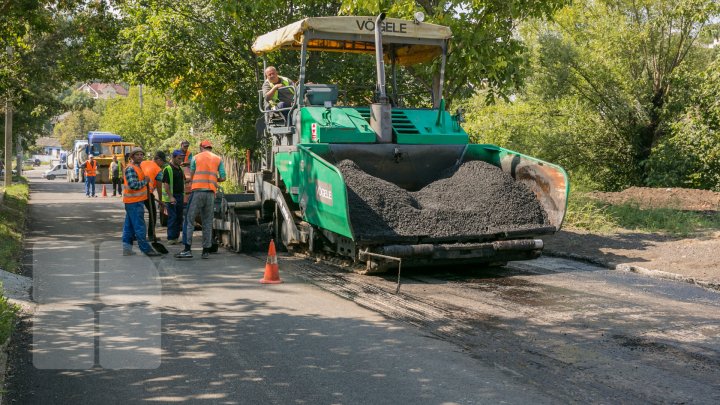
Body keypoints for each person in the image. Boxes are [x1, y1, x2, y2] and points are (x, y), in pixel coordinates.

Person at [175, 140, 225, 260]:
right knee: (207, 222)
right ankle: (206, 251)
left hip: (197, 192)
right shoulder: (218, 159)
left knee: (189, 220)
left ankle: (187, 249)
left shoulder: (196, 158)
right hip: (210, 194)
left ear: (201, 148)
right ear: (210, 148)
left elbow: (192, 176)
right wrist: (213, 180)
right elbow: (223, 178)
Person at [122, 147, 161, 257]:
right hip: (134, 202)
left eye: (141, 155)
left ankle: (127, 249)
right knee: (140, 226)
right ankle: (146, 249)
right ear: (132, 157)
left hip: (135, 201)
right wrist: (145, 182)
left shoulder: (138, 167)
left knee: (129, 226)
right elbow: (133, 185)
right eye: (137, 155)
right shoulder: (131, 169)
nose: (140, 156)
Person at [140, 151, 166, 241]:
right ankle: (151, 235)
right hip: (147, 192)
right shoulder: (158, 170)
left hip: (136, 191)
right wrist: (161, 200)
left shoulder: (142, 163)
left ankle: (133, 235)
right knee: (153, 214)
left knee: (137, 214)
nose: (162, 164)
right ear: (158, 159)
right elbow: (159, 187)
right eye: (162, 162)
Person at [162, 150, 186, 245]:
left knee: (179, 217)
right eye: (179, 158)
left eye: (182, 159)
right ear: (173, 157)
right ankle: (171, 237)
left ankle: (176, 237)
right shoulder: (168, 169)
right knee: (173, 217)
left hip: (180, 195)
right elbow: (166, 184)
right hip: (172, 197)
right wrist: (171, 197)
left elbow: (183, 181)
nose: (181, 160)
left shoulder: (180, 169)